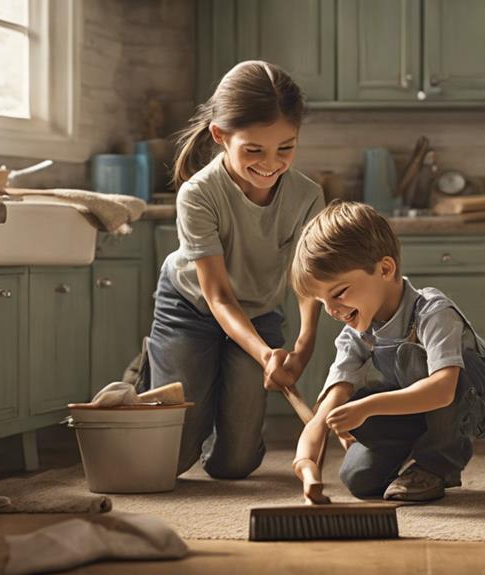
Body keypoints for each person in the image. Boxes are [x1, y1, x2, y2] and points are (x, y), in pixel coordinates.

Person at [146, 60, 325, 479]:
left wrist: (302, 347)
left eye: (286, 147)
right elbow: (218, 296)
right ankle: (147, 374)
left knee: (235, 465)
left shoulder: (307, 196)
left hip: (258, 312)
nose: (271, 163)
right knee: (170, 459)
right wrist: (266, 354)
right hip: (191, 310)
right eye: (254, 150)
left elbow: (307, 281)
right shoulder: (197, 195)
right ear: (220, 137)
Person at [290, 201, 485, 502]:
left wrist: (368, 408)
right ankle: (412, 447)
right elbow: (323, 415)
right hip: (422, 403)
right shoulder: (357, 332)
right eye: (321, 301)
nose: (331, 310)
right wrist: (306, 464)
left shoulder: (433, 311)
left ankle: (436, 464)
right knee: (357, 477)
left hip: (477, 395)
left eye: (339, 293)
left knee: (414, 371)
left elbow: (443, 390)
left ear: (385, 269)